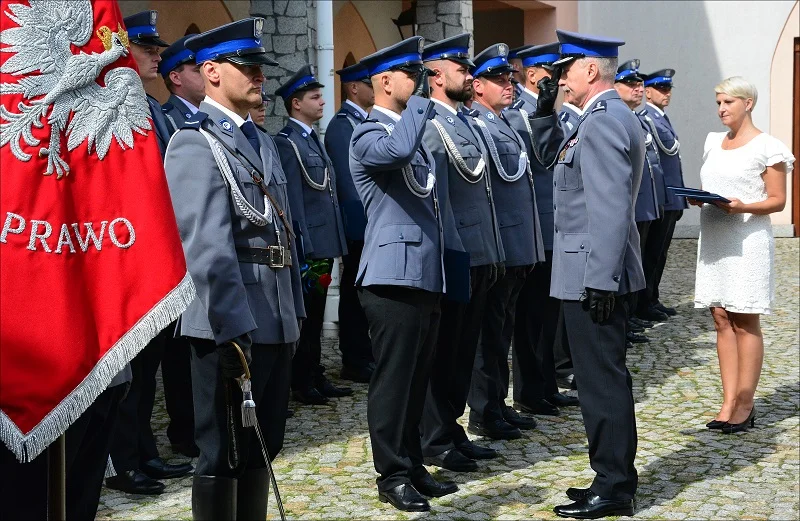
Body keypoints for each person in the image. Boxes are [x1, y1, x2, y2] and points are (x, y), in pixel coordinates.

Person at [165, 18, 305, 519]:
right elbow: (206, 248)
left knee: (261, 448)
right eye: (246, 67)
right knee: (221, 451)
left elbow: (283, 235)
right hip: (232, 322)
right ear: (212, 72)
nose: (258, 77)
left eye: (258, 68)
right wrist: (231, 329)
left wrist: (295, 316)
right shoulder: (194, 143)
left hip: (275, 316)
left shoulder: (262, 142)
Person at [529, 29, 645, 519]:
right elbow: (549, 158)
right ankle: (612, 476)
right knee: (600, 378)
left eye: (566, 68)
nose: (559, 76)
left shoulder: (603, 121)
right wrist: (543, 112)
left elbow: (611, 207)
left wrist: (601, 279)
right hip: (590, 269)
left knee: (600, 381)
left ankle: (615, 484)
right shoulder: (597, 118)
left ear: (590, 70)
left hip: (593, 274)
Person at [350, 36, 459, 512]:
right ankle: (390, 473)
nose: (419, 84)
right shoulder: (367, 133)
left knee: (417, 379)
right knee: (394, 382)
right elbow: (393, 154)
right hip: (391, 278)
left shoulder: (409, 135)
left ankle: (412, 464)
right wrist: (420, 105)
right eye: (411, 76)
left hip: (424, 275)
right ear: (385, 81)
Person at [106, 10, 193, 495]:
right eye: (147, 48)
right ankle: (123, 462)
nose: (157, 54)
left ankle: (143, 451)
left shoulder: (154, 107)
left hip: (158, 248)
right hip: (129, 250)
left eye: (158, 49)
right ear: (120, 49)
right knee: (128, 367)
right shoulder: (116, 105)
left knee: (147, 368)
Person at [418, 33, 504, 474]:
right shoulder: (431, 125)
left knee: (464, 350)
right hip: (457, 255)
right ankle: (434, 437)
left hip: (480, 251)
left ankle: (451, 429)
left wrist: (491, 250)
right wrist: (454, 257)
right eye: (461, 69)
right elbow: (439, 202)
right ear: (435, 76)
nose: (469, 76)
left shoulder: (464, 121)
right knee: (445, 351)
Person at [692, 76, 794, 434]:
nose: (721, 109)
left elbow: (778, 200)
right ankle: (728, 400)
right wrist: (697, 197)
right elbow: (712, 185)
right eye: (718, 102)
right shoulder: (712, 142)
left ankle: (745, 403)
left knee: (744, 318)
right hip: (715, 235)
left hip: (747, 237)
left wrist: (742, 206)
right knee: (720, 315)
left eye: (728, 103)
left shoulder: (769, 147)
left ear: (747, 103)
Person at [466, 43, 543, 442]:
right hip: (501, 244)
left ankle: (498, 403)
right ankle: (484, 410)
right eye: (498, 79)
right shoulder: (477, 124)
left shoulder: (508, 121)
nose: (508, 84)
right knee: (490, 333)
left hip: (519, 243)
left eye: (508, 78)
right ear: (477, 86)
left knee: (504, 330)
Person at [506, 42, 579, 417]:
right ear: (532, 74)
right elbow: (538, 161)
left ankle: (546, 384)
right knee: (531, 315)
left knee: (550, 314)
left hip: (561, 224)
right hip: (539, 225)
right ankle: (529, 390)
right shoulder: (520, 113)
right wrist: (544, 111)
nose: (561, 77)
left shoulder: (559, 112)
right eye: (553, 69)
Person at [274, 65, 352, 406]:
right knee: (306, 314)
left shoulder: (309, 139)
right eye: (315, 97)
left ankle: (314, 373)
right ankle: (302, 379)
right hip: (310, 247)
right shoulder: (288, 143)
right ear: (296, 104)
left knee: (316, 313)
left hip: (324, 243)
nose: (322, 102)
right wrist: (302, 245)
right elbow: (293, 200)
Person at [324, 62, 376, 384]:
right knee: (355, 294)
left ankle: (364, 355)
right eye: (368, 82)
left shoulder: (363, 122)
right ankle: (355, 360)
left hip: (369, 224)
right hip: (360, 224)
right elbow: (351, 184)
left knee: (365, 294)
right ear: (354, 88)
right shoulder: (343, 126)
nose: (374, 88)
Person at [614, 59, 662, 347]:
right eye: (631, 83)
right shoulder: (624, 118)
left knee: (642, 262)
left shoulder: (639, 118)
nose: (638, 88)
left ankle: (632, 314)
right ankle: (627, 317)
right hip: (631, 205)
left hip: (644, 203)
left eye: (639, 83)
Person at [639, 68, 686, 321]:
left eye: (668, 89)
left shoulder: (661, 118)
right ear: (648, 92)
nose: (666, 94)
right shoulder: (647, 118)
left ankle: (652, 297)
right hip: (660, 196)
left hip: (671, 196)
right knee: (651, 252)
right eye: (661, 89)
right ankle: (644, 302)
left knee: (660, 253)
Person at [161, 35, 205, 134]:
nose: (208, 76)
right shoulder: (166, 120)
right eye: (198, 71)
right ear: (176, 78)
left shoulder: (216, 113)